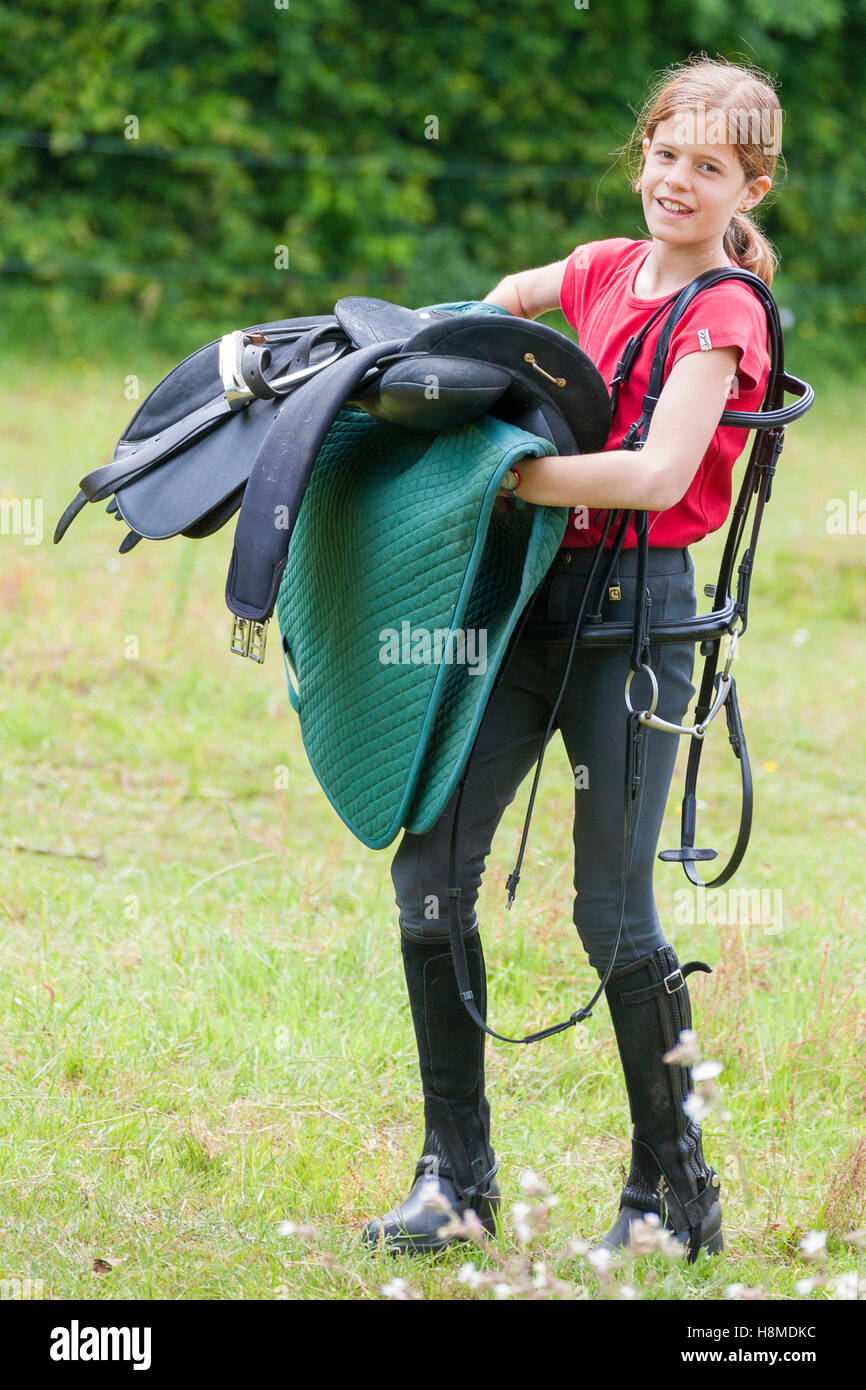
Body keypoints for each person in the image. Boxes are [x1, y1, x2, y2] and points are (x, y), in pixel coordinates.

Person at [362, 56, 779, 1262]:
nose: (676, 180)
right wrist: (450, 363)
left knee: (612, 915)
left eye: (709, 166)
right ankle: (455, 1180)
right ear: (640, 153)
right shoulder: (600, 266)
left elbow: (654, 476)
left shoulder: (723, 313)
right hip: (526, 608)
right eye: (664, 153)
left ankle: (669, 1195)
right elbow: (505, 299)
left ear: (748, 184)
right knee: (429, 874)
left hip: (637, 623)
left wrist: (500, 477)